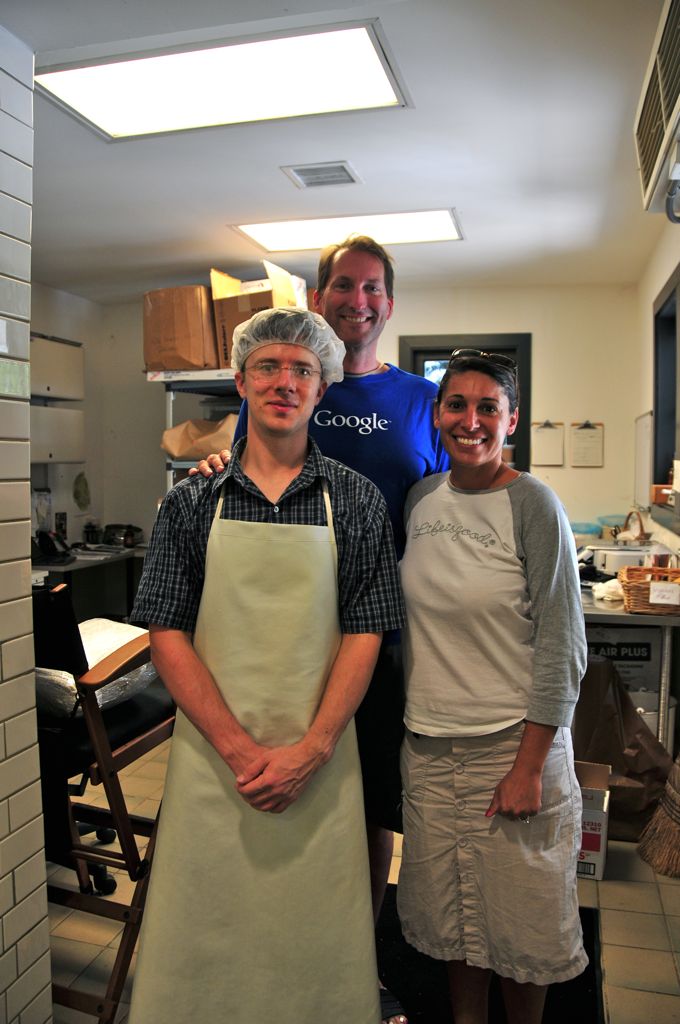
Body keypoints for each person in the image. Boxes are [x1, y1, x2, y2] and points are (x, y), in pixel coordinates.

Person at [194, 235, 449, 1024]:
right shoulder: (287, 376)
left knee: (364, 803)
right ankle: (272, 947)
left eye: (373, 288)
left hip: (381, 632)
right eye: (344, 285)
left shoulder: (416, 399)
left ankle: (356, 957)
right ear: (320, 297)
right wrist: (209, 467)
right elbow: (244, 478)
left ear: (390, 303)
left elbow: (448, 498)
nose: (358, 300)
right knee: (280, 793)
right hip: (279, 630)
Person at [129, 308, 404, 1024]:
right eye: (269, 366)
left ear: (323, 387)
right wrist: (238, 748)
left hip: (321, 761)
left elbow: (365, 632)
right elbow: (167, 632)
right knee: (204, 928)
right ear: (240, 380)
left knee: (314, 932)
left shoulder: (357, 501)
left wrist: (310, 750)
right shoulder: (191, 502)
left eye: (302, 369)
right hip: (214, 764)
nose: (285, 381)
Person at [397, 348, 588, 1024]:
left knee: (522, 927)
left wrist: (530, 766)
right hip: (428, 750)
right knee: (455, 923)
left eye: (488, 408)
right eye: (457, 405)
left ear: (512, 421)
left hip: (509, 747)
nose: (470, 420)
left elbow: (564, 645)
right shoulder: (421, 500)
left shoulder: (532, 503)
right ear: (438, 414)